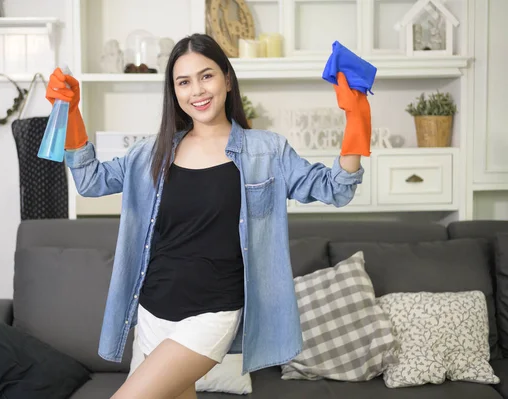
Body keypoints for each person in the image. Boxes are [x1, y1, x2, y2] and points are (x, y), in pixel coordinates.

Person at [45, 33, 370, 399]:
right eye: (184, 82)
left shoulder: (265, 151)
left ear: (227, 79)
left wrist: (356, 119)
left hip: (212, 314)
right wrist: (71, 112)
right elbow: (90, 181)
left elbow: (336, 188)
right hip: (153, 311)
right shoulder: (151, 153)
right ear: (174, 92)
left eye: (206, 76)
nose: (196, 90)